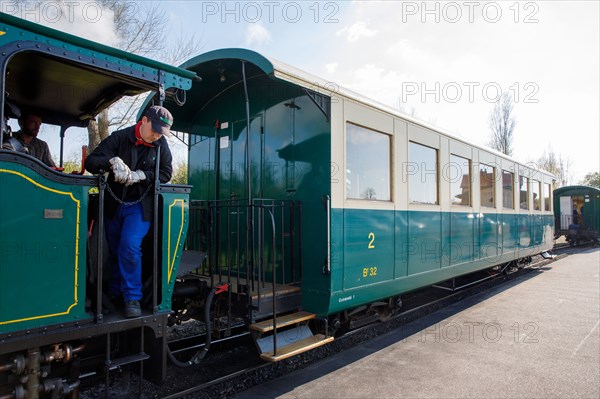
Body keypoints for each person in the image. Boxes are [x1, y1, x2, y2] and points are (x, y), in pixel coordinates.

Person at [85, 106, 174, 318]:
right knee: (115, 250)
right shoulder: (119, 137)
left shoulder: (161, 144)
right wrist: (111, 162)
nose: (158, 135)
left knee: (130, 246)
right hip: (114, 205)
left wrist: (142, 175)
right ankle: (115, 292)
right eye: (156, 129)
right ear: (144, 121)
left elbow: (166, 172)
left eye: (162, 132)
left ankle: (132, 297)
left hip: (140, 207)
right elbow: (91, 161)